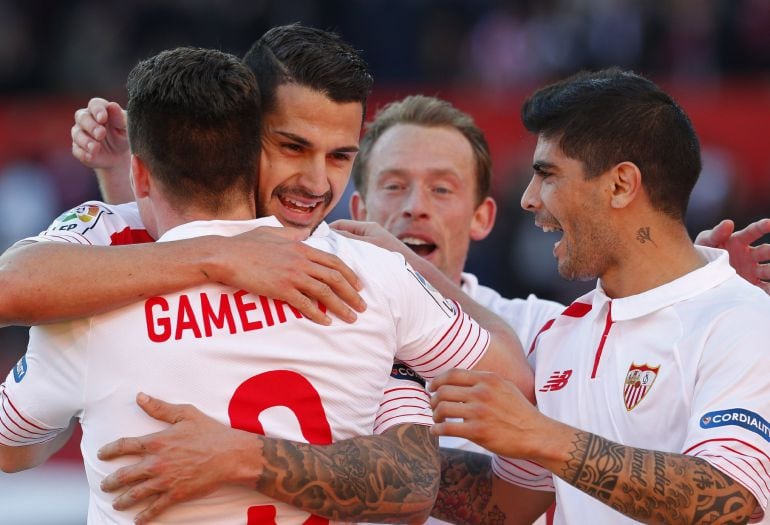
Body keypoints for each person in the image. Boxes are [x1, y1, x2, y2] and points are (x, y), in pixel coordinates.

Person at [0, 25, 530, 524]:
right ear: (242, 132)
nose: (317, 181)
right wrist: (216, 253)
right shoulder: (369, 274)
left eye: (341, 156)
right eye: (293, 146)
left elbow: (15, 445)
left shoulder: (102, 285)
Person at [335, 93, 770, 524]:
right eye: (393, 185)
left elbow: (727, 499)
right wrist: (329, 443)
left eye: (548, 175)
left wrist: (543, 436)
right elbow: (505, 505)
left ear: (621, 185)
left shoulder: (740, 317)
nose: (528, 199)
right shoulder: (561, 333)